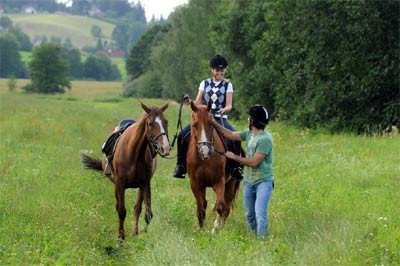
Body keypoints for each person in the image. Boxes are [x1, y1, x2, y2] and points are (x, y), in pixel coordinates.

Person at [173, 54, 244, 180]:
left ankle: (235, 167)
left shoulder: (228, 85)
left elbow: (229, 105)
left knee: (235, 137)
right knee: (182, 135)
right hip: (203, 118)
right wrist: (190, 101)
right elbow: (198, 102)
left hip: (219, 117)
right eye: (217, 70)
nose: (220, 73)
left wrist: (224, 109)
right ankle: (181, 165)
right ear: (212, 70)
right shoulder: (204, 84)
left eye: (222, 70)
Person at [210, 105, 274, 238]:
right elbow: (231, 134)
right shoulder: (249, 133)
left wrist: (235, 157)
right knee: (249, 215)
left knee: (260, 214)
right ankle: (252, 238)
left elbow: (253, 162)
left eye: (250, 117)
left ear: (254, 120)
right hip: (249, 182)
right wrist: (214, 123)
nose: (248, 118)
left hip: (263, 182)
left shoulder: (265, 139)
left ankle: (262, 240)